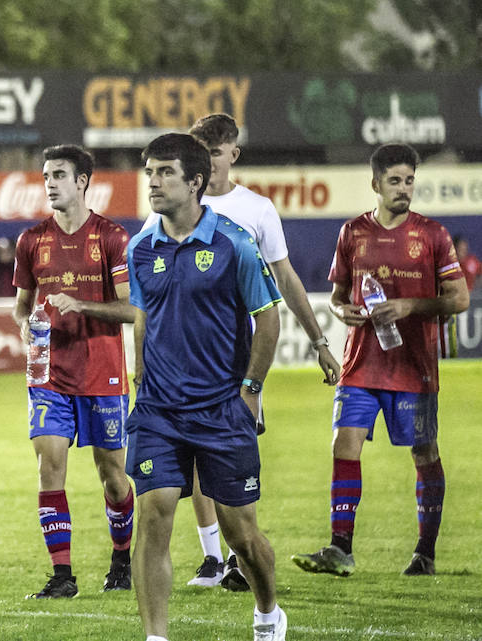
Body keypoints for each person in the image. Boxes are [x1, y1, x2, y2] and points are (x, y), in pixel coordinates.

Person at [141, 114, 342, 591]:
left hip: (236, 360)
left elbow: (286, 280)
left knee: (230, 462)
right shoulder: (164, 210)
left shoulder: (255, 210)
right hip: (177, 368)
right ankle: (214, 558)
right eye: (200, 152)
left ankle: (236, 555)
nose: (208, 163)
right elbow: (147, 293)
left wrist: (318, 342)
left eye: (215, 152)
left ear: (233, 153)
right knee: (186, 463)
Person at [126, 133, 286, 641]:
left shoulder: (234, 243)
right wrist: (140, 376)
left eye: (166, 172)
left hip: (221, 409)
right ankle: (155, 637)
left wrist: (250, 389)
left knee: (242, 536)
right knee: (153, 514)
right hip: (157, 412)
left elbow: (268, 319)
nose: (154, 181)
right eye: (150, 171)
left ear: (196, 182)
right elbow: (143, 317)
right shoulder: (139, 247)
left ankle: (267, 613)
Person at [291, 144, 469, 578]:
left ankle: (425, 553)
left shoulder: (433, 236)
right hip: (361, 365)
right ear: (375, 184)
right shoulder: (353, 233)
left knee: (424, 452)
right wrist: (340, 311)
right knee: (344, 444)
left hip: (414, 368)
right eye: (395, 181)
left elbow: (460, 299)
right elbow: (336, 296)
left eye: (409, 180)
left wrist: (410, 307)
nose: (404, 189)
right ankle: (340, 548)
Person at [12, 145, 136, 598]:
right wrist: (28, 329)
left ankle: (121, 560)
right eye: (46, 175)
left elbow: (131, 310)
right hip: (49, 377)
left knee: (113, 477)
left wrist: (79, 304)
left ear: (82, 181)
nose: (50, 183)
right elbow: (21, 308)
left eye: (60, 174)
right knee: (50, 467)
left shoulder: (112, 237)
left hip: (102, 376)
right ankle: (62, 576)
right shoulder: (31, 241)